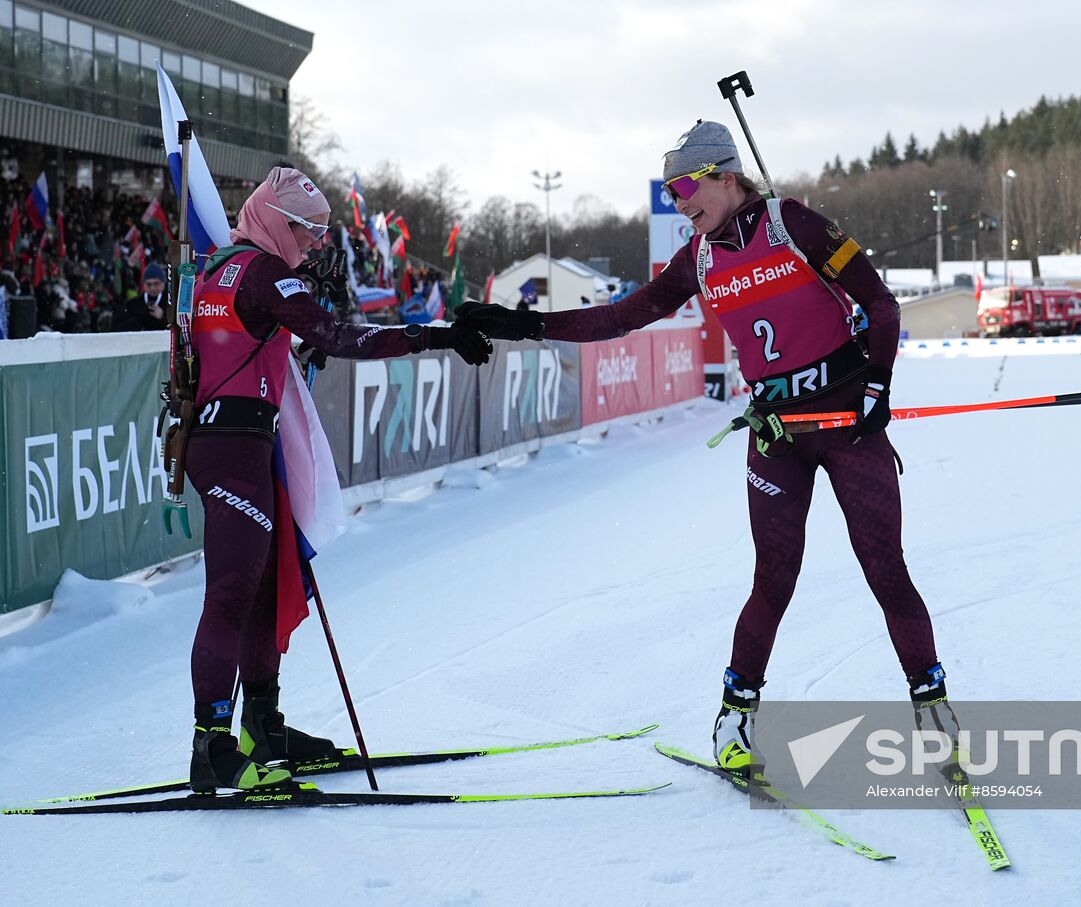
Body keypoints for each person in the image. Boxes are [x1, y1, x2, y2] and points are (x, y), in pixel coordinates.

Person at [462, 121, 949, 775]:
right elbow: (620, 316)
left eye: (688, 186)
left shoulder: (793, 225)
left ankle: (933, 710)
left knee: (885, 570)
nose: (679, 202)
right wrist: (524, 323)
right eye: (669, 192)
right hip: (777, 436)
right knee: (772, 578)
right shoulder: (698, 257)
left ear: (726, 174)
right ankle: (735, 719)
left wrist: (879, 387)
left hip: (846, 426)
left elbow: (880, 305)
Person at [182, 167, 491, 792]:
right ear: (276, 220)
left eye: (322, 231)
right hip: (234, 450)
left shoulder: (219, 264)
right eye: (307, 230)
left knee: (264, 594)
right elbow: (343, 335)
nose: (317, 242)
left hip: (233, 441)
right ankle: (211, 750)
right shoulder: (266, 272)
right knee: (232, 596)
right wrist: (434, 335)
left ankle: (262, 729)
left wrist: (296, 349)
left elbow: (239, 340)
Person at [113, 262, 168, 331]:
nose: (152, 288)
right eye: (148, 284)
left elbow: (179, 327)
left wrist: (163, 317)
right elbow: (118, 327)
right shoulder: (133, 304)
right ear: (144, 284)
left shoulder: (171, 303)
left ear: (163, 283)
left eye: (156, 283)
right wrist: (138, 319)